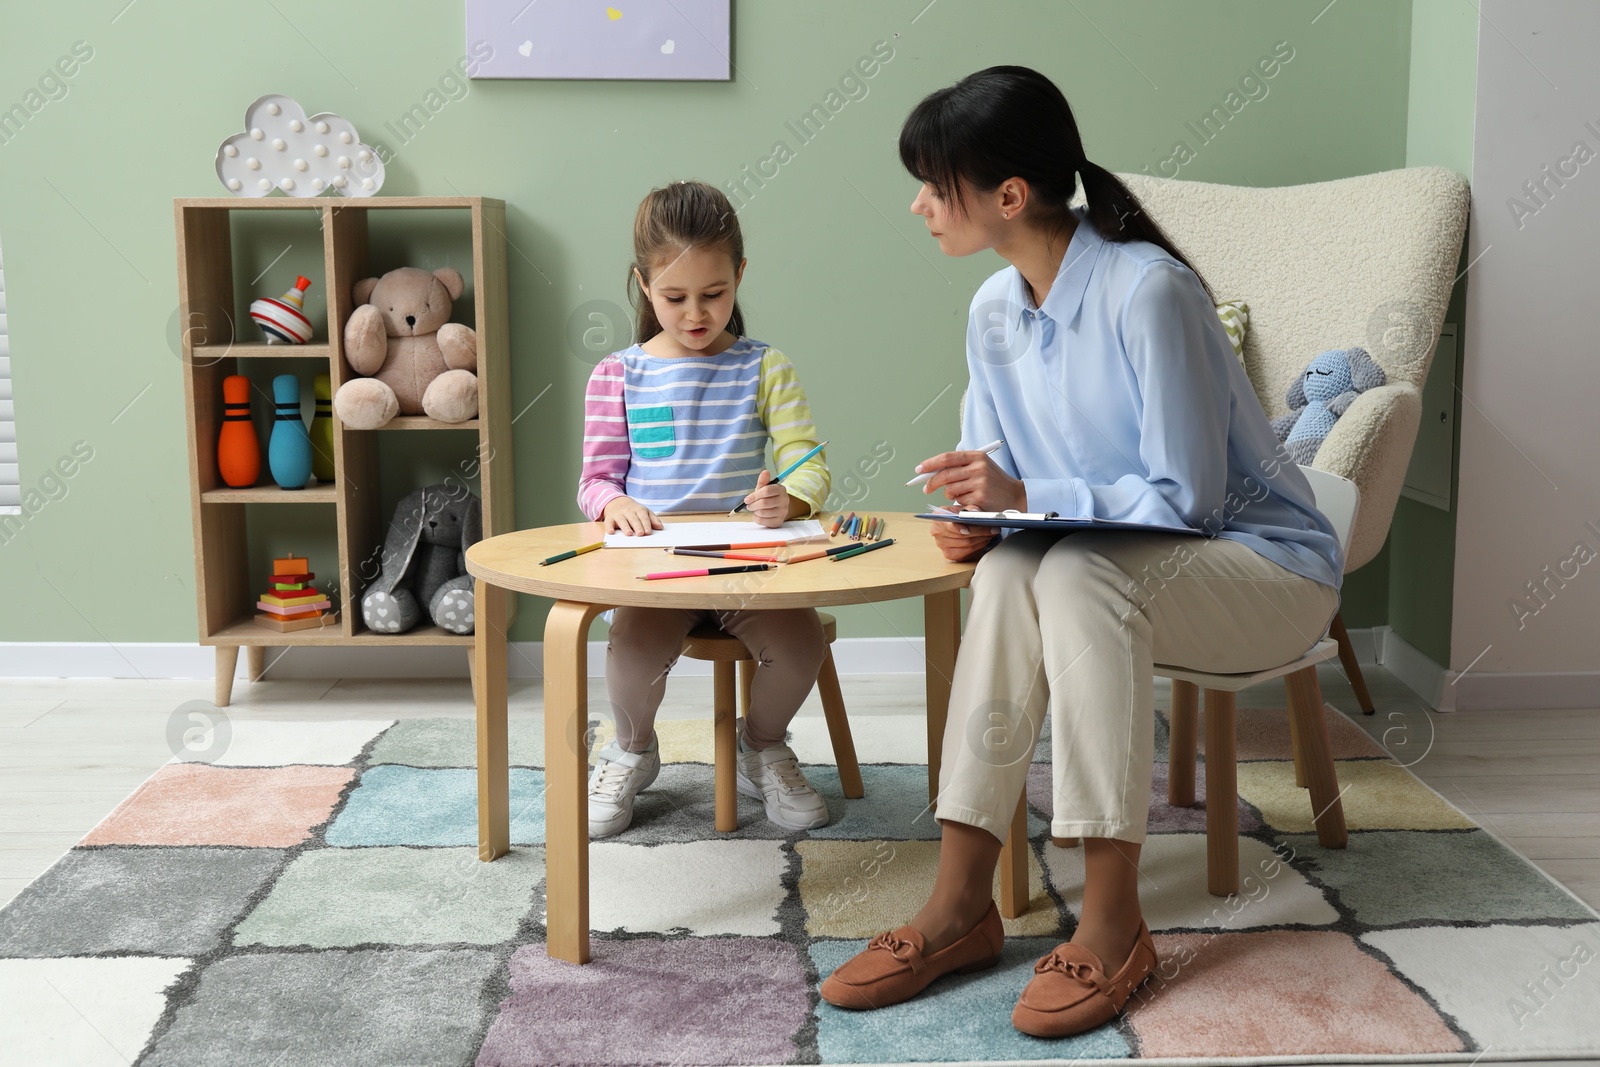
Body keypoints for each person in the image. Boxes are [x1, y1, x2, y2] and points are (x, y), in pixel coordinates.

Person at [817, 67, 1342, 1038]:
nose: (918, 204)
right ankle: (961, 898)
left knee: (1070, 567)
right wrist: (984, 514)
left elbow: (1185, 499)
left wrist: (1025, 499)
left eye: (935, 184)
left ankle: (1112, 918)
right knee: (1017, 564)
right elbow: (1002, 466)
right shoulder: (990, 310)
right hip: (1108, 566)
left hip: (1262, 566)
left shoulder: (1150, 292)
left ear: (1007, 195)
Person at [576, 179, 834, 838]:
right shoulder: (618, 375)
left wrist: (792, 495)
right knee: (631, 649)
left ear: (740, 276)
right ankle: (632, 748)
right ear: (642, 285)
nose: (696, 313)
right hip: (655, 569)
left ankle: (762, 744)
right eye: (674, 296)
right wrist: (617, 502)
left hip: (748, 563)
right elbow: (595, 481)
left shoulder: (765, 366)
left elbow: (808, 463)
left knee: (801, 642)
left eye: (714, 295)